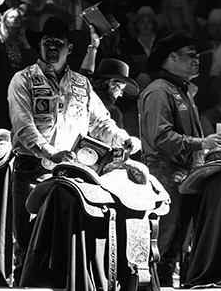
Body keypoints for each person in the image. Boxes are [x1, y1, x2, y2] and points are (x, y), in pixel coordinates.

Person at [7, 15, 137, 274]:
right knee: (27, 239)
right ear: (39, 46)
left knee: (65, 240)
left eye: (58, 42)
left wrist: (123, 138)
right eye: (47, 42)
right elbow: (23, 124)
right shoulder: (23, 79)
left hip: (70, 173)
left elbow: (101, 122)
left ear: (70, 48)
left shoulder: (81, 84)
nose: (52, 46)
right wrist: (50, 152)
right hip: (33, 169)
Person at [138, 30, 221, 287]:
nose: (197, 60)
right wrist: (203, 143)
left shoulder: (183, 91)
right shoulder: (159, 91)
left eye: (197, 55)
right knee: (161, 246)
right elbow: (161, 138)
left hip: (183, 177)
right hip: (165, 176)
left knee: (174, 249)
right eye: (191, 55)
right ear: (172, 57)